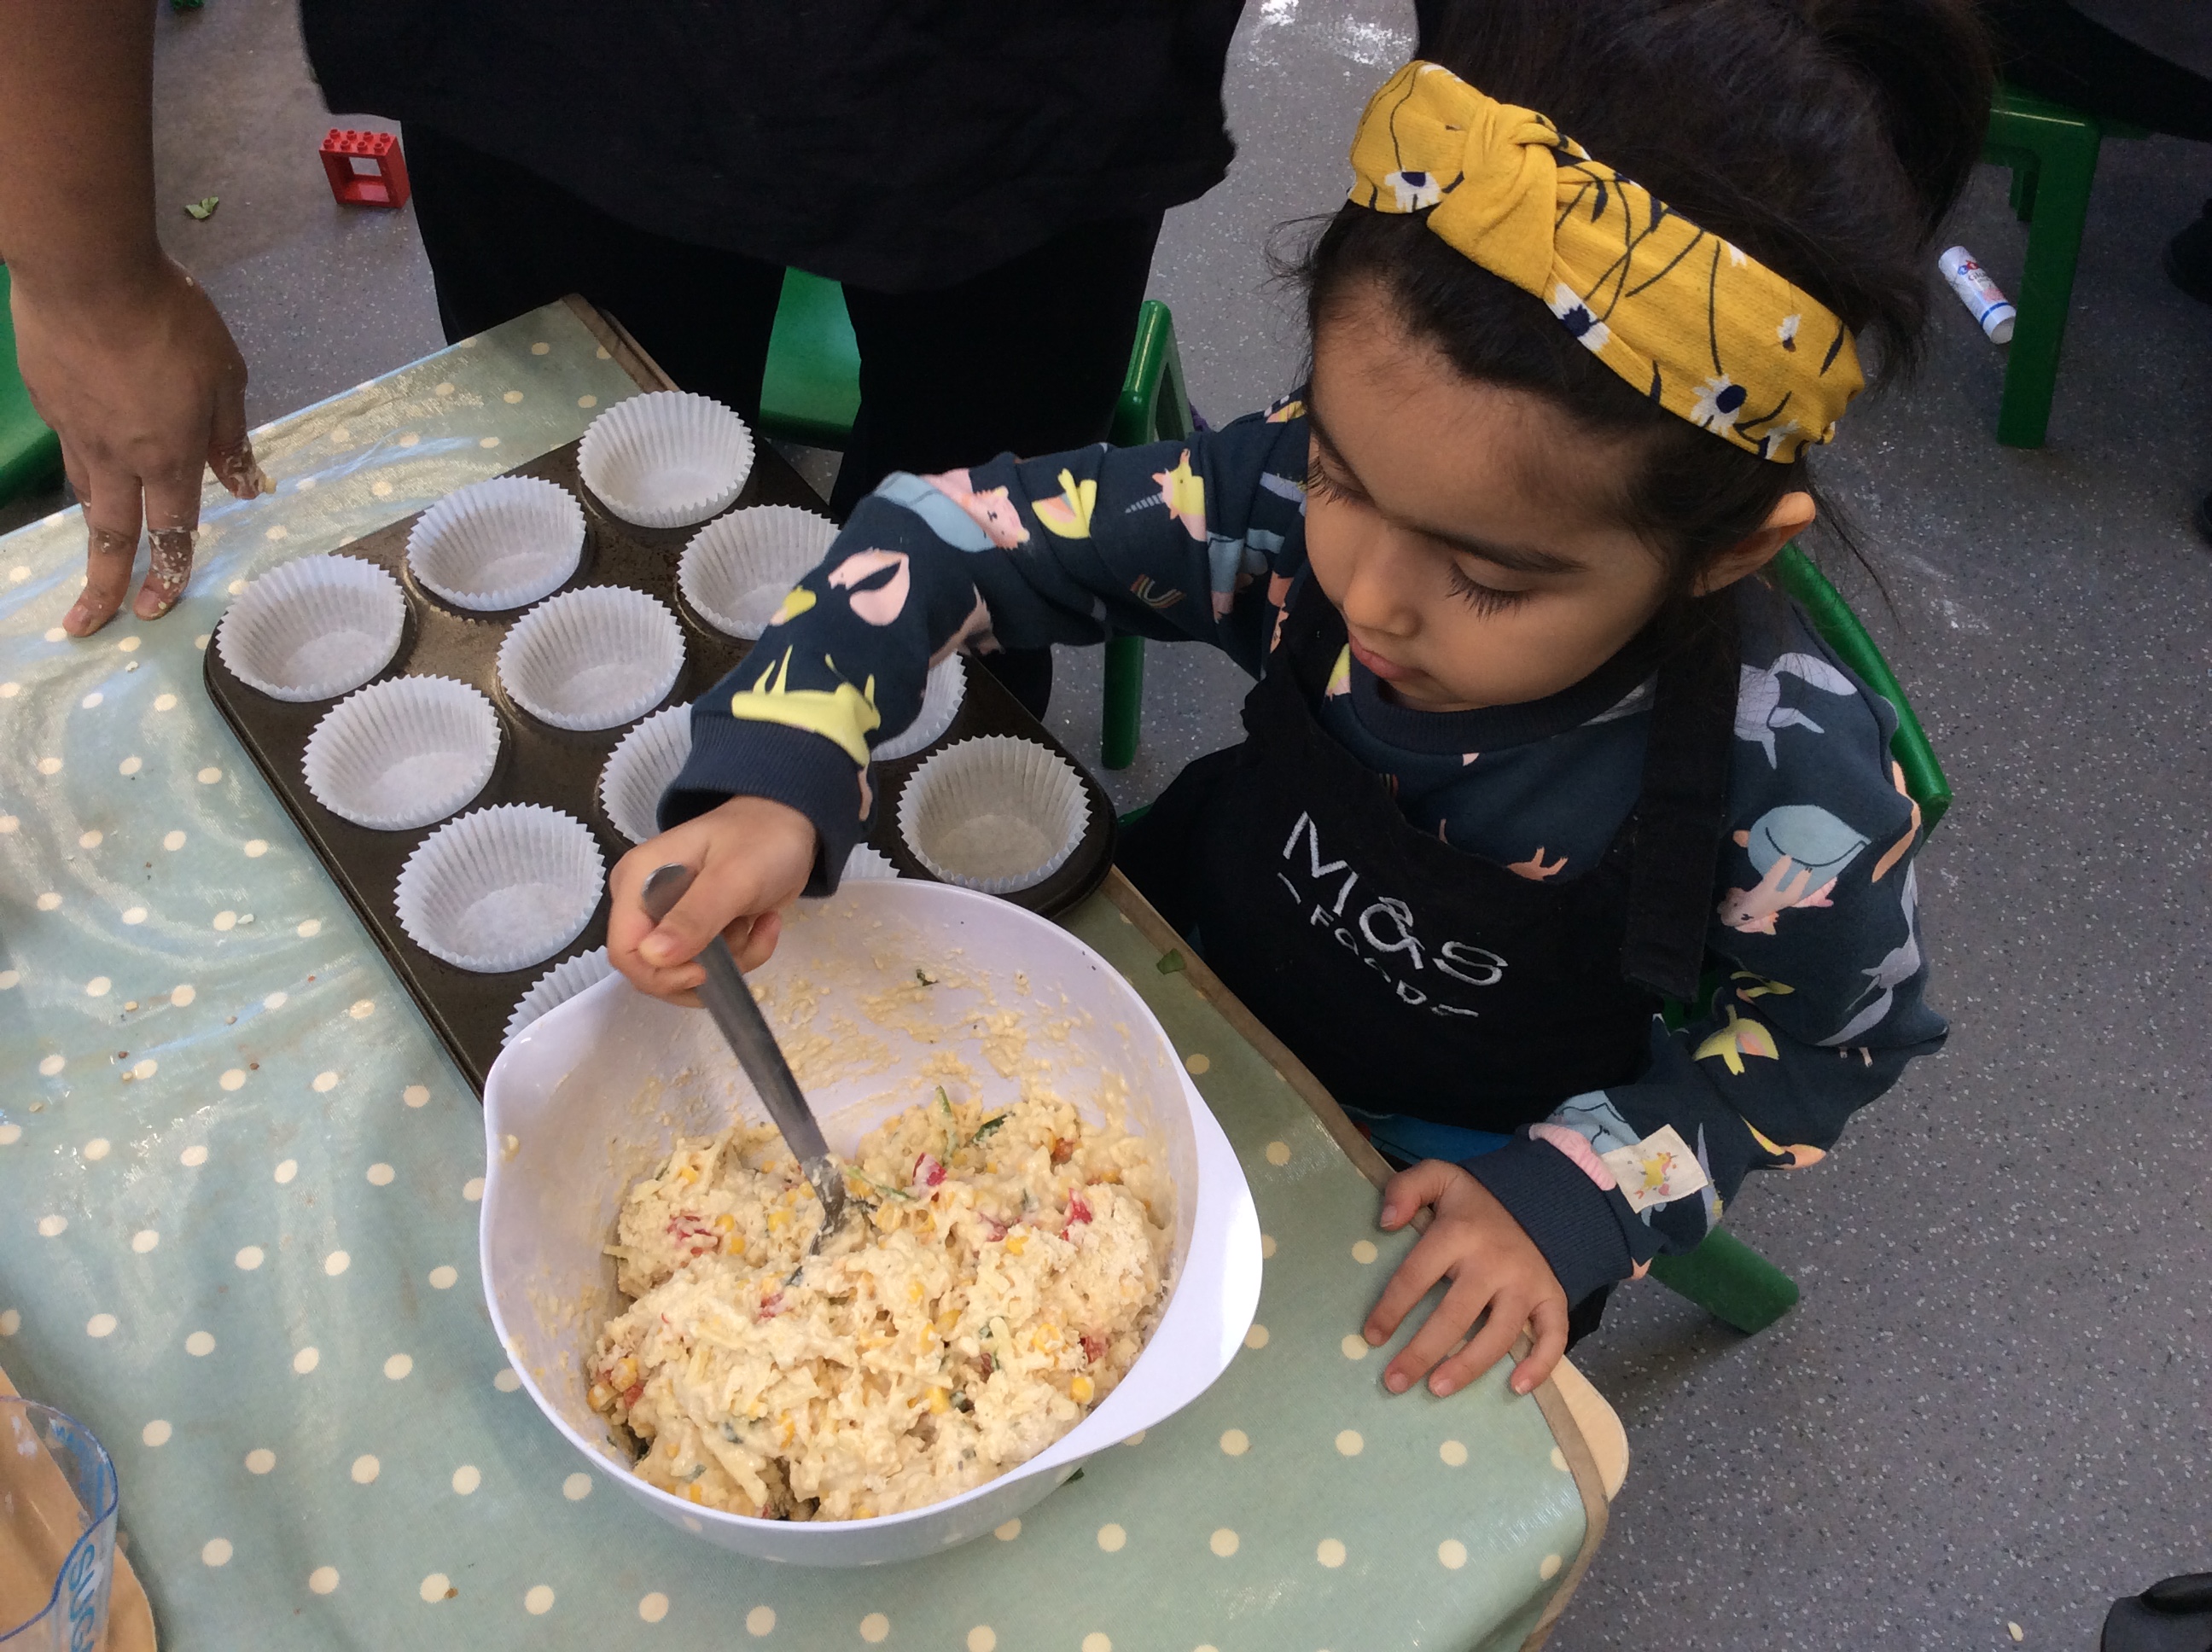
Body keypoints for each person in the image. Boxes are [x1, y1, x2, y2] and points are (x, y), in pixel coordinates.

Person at [605, 0, 1988, 1401]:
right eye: (1341, 470)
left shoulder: (1791, 780)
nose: (1368, 592)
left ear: (1725, 551)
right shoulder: (1270, 505)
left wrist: (1576, 1198)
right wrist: (781, 767)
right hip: (1179, 975)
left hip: (1452, 1175)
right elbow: (943, 538)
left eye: (1488, 580)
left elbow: (1834, 1037)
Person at [1, 0, 1244, 691]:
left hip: (1036, 71)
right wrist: (86, 275)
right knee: (581, 574)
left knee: (967, 628)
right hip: (556, 54)